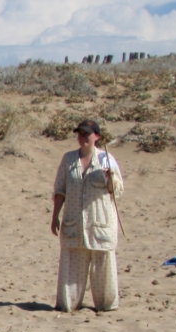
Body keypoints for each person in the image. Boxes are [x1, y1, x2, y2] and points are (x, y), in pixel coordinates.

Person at [51, 118, 123, 312]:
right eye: (80, 134)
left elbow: (116, 191)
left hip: (100, 223)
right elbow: (60, 189)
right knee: (72, 263)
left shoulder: (106, 159)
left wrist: (110, 177)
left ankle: (106, 305)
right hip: (74, 222)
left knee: (103, 265)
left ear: (96, 136)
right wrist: (55, 216)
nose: (82, 137)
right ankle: (69, 304)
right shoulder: (68, 159)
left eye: (86, 134)